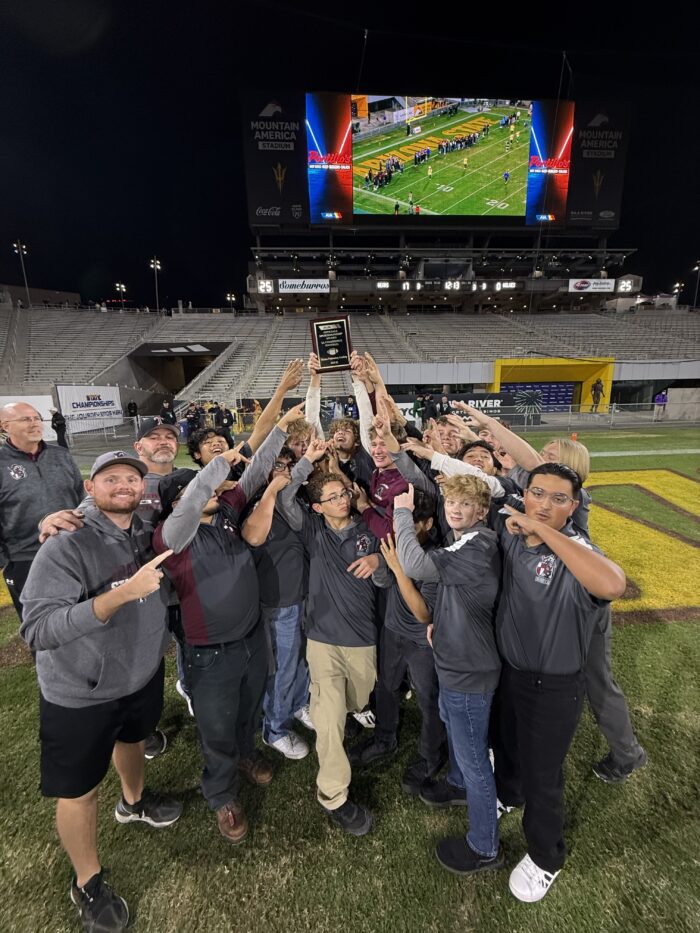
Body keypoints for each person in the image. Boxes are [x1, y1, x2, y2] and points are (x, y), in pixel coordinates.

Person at [20, 451, 182, 933]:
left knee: (132, 741)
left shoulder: (145, 525)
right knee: (78, 791)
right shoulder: (64, 543)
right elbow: (38, 629)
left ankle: (133, 804)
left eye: (131, 479)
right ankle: (87, 881)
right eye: (110, 479)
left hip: (138, 675)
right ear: (90, 489)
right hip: (80, 693)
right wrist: (118, 596)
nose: (123, 486)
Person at [152, 414, 297, 843]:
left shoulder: (228, 515)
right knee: (216, 728)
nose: (213, 493)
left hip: (251, 640)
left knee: (248, 710)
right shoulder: (172, 538)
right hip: (208, 652)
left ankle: (246, 755)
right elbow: (198, 492)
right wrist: (217, 468)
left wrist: (282, 427)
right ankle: (221, 795)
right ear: (176, 504)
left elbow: (253, 474)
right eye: (193, 494)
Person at [492, 463, 627, 902]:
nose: (545, 504)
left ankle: (546, 857)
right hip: (510, 672)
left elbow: (613, 583)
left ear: (574, 506)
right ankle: (507, 794)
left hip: (552, 687)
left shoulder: (577, 549)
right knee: (507, 746)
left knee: (543, 775)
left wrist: (544, 528)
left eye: (558, 498)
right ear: (524, 493)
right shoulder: (513, 533)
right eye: (537, 493)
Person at [276, 439, 392, 835]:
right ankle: (334, 795)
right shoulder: (311, 529)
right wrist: (307, 459)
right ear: (318, 507)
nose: (341, 500)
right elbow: (285, 498)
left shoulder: (370, 528)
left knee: (356, 700)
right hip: (323, 640)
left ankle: (350, 711)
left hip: (363, 638)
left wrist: (378, 561)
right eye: (331, 497)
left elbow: (389, 576)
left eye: (343, 493)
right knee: (328, 721)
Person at [394, 478, 503, 876]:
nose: (455, 509)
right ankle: (456, 784)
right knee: (453, 730)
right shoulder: (468, 543)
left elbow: (413, 564)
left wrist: (401, 513)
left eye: (465, 504)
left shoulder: (478, 543)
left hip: (469, 673)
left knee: (476, 762)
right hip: (456, 661)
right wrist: (441, 621)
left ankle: (485, 846)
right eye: (451, 501)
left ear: (482, 511)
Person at [349, 492, 446, 795]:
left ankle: (430, 758)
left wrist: (397, 566)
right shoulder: (397, 545)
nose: (400, 531)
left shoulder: (437, 557)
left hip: (422, 641)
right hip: (393, 629)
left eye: (411, 523)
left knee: (429, 701)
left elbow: (423, 613)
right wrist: (380, 563)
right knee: (386, 686)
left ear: (428, 523)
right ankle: (384, 739)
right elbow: (385, 583)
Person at [242, 446, 314, 760]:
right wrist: (271, 490)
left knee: (299, 661)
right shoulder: (257, 506)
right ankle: (275, 729)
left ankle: (297, 704)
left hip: (302, 598)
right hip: (277, 603)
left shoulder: (296, 502)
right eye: (277, 466)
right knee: (282, 668)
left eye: (289, 465)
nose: (284, 471)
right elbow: (252, 538)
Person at [0, 402, 83, 620]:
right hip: (25, 558)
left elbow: (81, 498)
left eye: (37, 418)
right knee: (39, 624)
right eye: (25, 419)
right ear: (5, 426)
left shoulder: (61, 455)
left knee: (79, 616)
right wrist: (6, 558)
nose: (34, 423)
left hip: (71, 550)